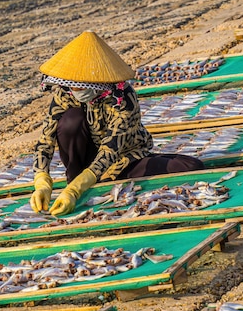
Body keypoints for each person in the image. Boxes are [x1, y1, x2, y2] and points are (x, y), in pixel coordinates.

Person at [30, 30, 204, 216]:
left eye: (81, 84)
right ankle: (75, 176)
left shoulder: (123, 97)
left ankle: (89, 181)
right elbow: (45, 141)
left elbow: (112, 149)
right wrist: (41, 181)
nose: (75, 89)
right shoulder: (65, 94)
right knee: (70, 120)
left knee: (191, 166)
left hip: (124, 159)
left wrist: (76, 189)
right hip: (85, 158)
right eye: (72, 84)